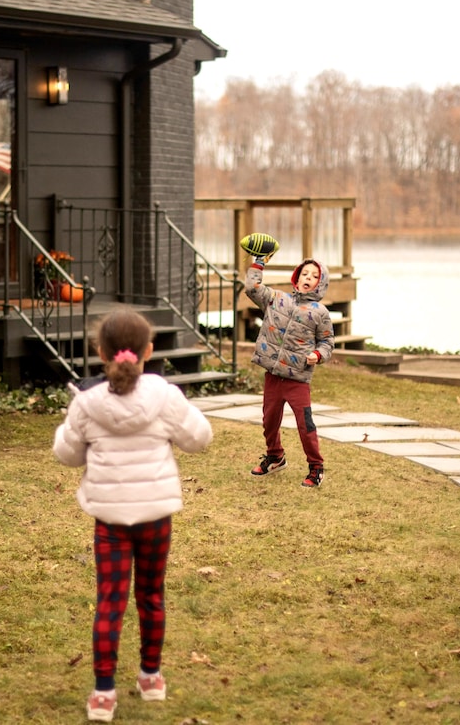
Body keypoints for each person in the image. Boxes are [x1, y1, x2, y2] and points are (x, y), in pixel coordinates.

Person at [53, 307, 213, 723]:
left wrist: (72, 426)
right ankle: (150, 677)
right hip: (156, 517)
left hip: (109, 520)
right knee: (151, 595)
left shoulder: (87, 404)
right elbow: (200, 439)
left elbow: (66, 456)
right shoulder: (164, 396)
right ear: (149, 350)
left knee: (110, 601)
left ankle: (103, 695)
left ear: (100, 352)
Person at [243, 243, 335, 487]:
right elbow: (252, 288)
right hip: (273, 376)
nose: (309, 278)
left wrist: (318, 354)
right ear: (297, 276)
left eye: (315, 276)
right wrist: (258, 262)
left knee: (305, 425)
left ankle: (316, 467)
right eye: (305, 273)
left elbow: (327, 342)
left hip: (298, 380)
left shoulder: (320, 312)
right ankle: (275, 456)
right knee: (269, 420)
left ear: (321, 284)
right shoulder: (277, 299)